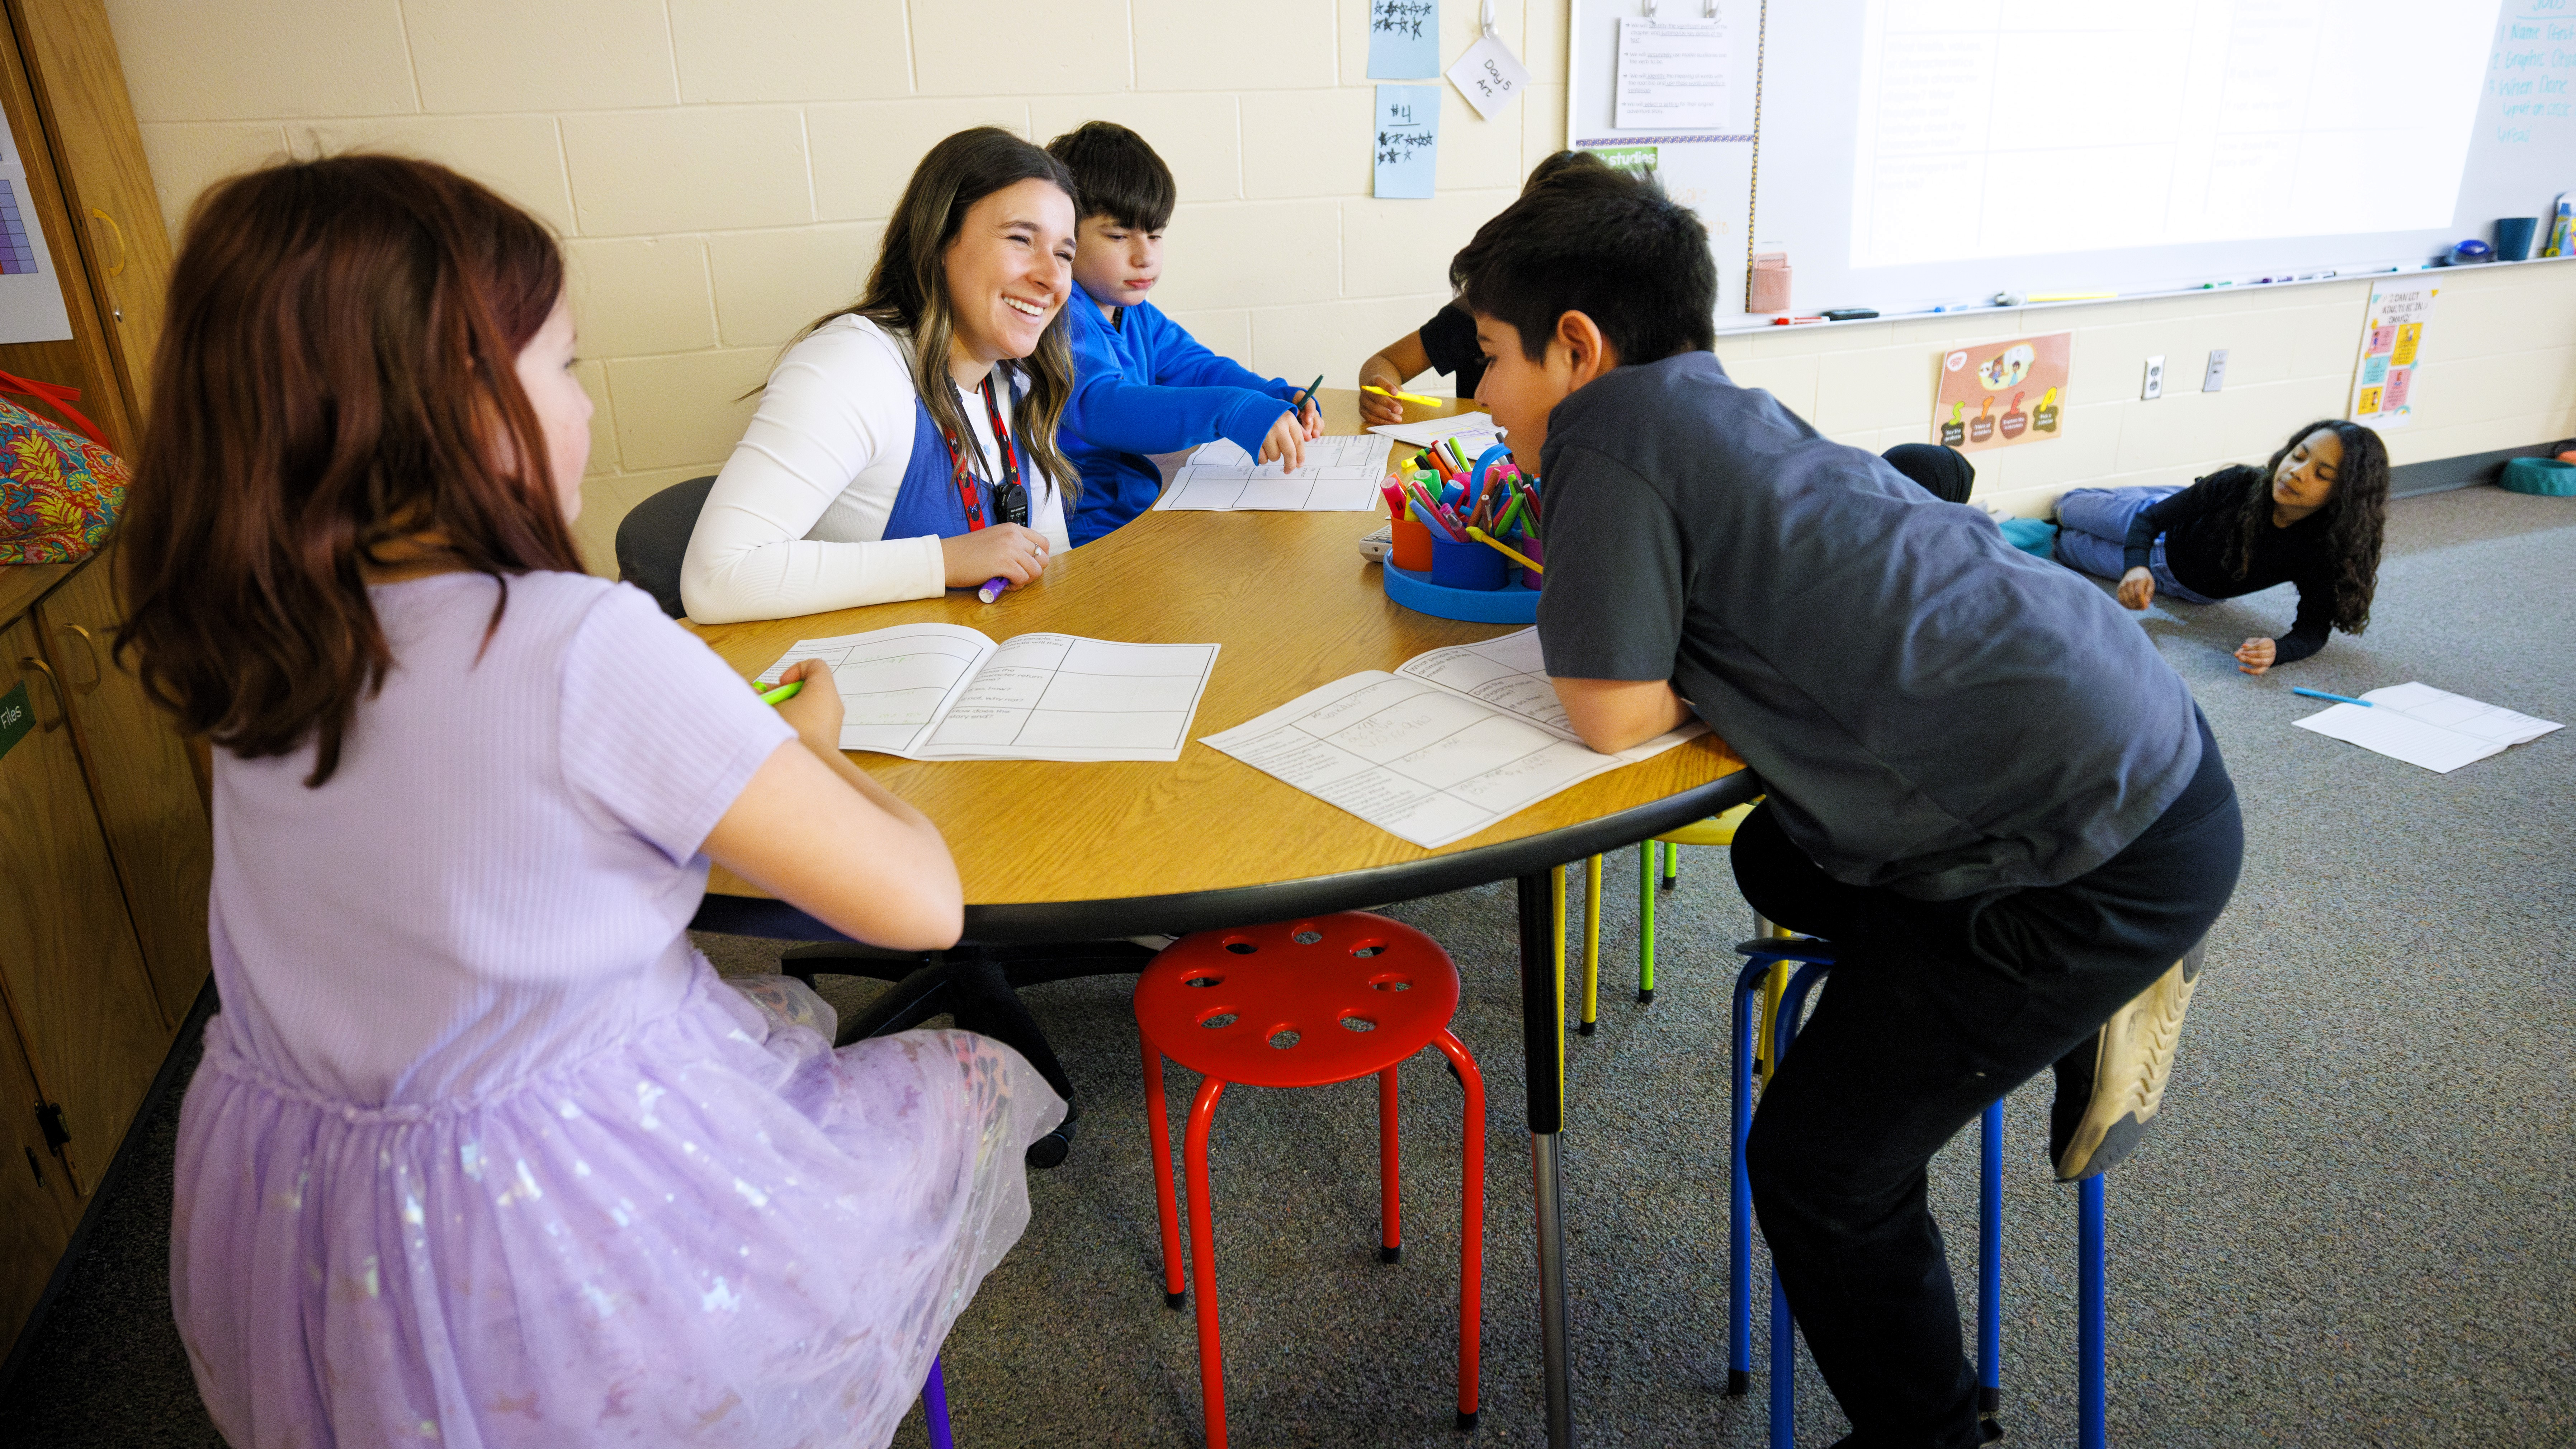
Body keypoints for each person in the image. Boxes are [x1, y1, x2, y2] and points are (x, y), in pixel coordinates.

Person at [115, 155, 1063, 1449]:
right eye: (563, 366)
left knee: (767, 1007)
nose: (590, 403)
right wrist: (825, 745)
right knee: (970, 1077)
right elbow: (922, 905)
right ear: (456, 406)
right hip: (560, 1243)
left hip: (312, 1226)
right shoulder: (575, 642)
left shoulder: (254, 642)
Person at [1451, 170, 2242, 1448]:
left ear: (1578, 347)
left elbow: (1606, 708)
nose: (1480, 400)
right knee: (1775, 854)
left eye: (1488, 360)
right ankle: (2087, 1002)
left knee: (1818, 1171)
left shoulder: (1601, 434)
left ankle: (1932, 1434)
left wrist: (1652, 645)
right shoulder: (1708, 397)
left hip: (2096, 864)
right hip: (2148, 749)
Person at [680, 128, 1080, 624]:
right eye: (1021, 239)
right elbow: (715, 577)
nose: (1052, 277)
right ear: (938, 241)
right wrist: (945, 561)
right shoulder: (852, 366)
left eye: (1064, 253)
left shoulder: (1016, 383)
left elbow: (1053, 565)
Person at [1044, 121, 1322, 544]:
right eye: (1119, 236)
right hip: (1083, 523)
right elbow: (1102, 406)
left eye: (1155, 235)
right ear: (1064, 234)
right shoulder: (1060, 316)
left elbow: (1197, 369)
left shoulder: (1135, 313)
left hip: (1138, 503)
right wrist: (1231, 410)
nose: (1145, 257)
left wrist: (1269, 394)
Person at [2051, 420, 2390, 674]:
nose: (2296, 472)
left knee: (2064, 545)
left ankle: (2180, 496)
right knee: (2066, 509)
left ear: (2343, 495)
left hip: (2178, 582)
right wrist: (2134, 565)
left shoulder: (2322, 549)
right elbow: (2149, 521)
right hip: (2162, 526)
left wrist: (2277, 651)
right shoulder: (2241, 483)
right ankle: (2183, 494)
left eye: (2322, 474)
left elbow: (2312, 631)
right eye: (2297, 456)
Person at [1353, 150, 1621, 427]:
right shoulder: (1485, 308)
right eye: (1490, 357)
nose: (1483, 396)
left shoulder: (1618, 329)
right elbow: (1385, 363)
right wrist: (1382, 396)